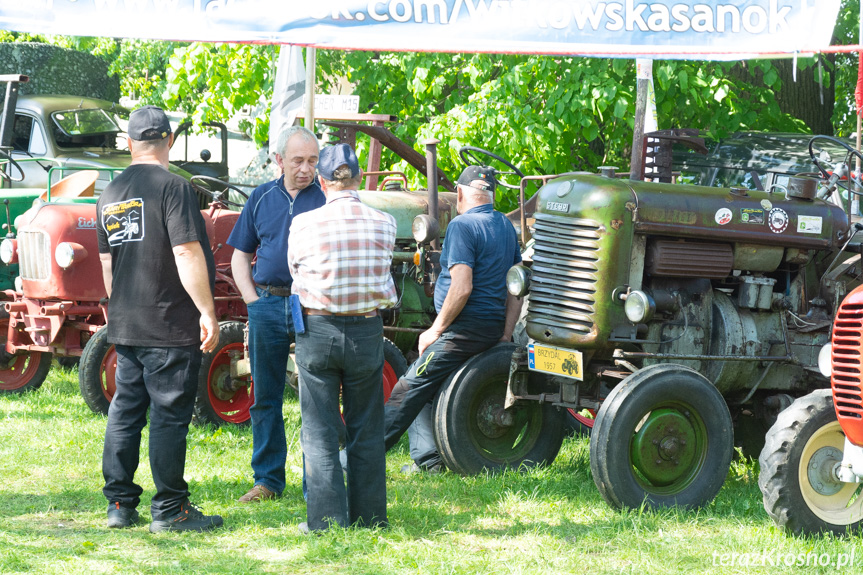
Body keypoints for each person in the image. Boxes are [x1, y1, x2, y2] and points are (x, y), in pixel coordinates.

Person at [97, 105, 222, 532]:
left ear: (130, 144)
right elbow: (186, 251)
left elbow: (107, 268)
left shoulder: (109, 193)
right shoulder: (175, 188)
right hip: (168, 323)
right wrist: (208, 311)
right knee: (169, 415)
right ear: (168, 141)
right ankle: (170, 509)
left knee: (125, 411)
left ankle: (119, 505)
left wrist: (124, 311)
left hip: (126, 324)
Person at [383, 165, 522, 472]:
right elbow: (516, 288)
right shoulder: (505, 226)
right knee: (426, 378)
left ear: (459, 194)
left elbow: (461, 287)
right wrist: (506, 333)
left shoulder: (462, 226)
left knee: (409, 386)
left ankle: (360, 456)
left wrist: (436, 329)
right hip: (490, 328)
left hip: (464, 331)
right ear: (492, 195)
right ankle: (430, 460)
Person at [288, 143, 396, 533]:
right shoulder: (385, 222)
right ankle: (370, 518)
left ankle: (327, 521)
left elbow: (294, 271)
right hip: (367, 329)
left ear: (321, 180)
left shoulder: (303, 223)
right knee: (367, 426)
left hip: (318, 330)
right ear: (358, 179)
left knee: (318, 430)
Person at [228, 126, 325, 503]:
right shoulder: (261, 197)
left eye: (313, 161)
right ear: (279, 160)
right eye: (298, 160)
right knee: (265, 395)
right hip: (267, 304)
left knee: (315, 397)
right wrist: (252, 301)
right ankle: (267, 481)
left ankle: (316, 481)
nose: (306, 169)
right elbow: (240, 254)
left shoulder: (324, 198)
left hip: (310, 306)